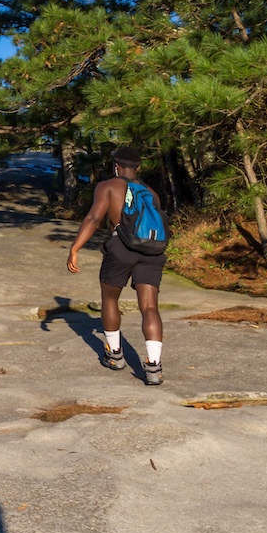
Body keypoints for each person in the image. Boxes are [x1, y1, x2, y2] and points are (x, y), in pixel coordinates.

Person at [67, 146, 166, 386]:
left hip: (121, 248)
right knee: (149, 307)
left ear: (116, 166)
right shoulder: (151, 192)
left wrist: (75, 248)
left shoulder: (108, 187)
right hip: (152, 251)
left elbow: (94, 218)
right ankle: (154, 367)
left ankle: (115, 355)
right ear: (138, 168)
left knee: (110, 299)